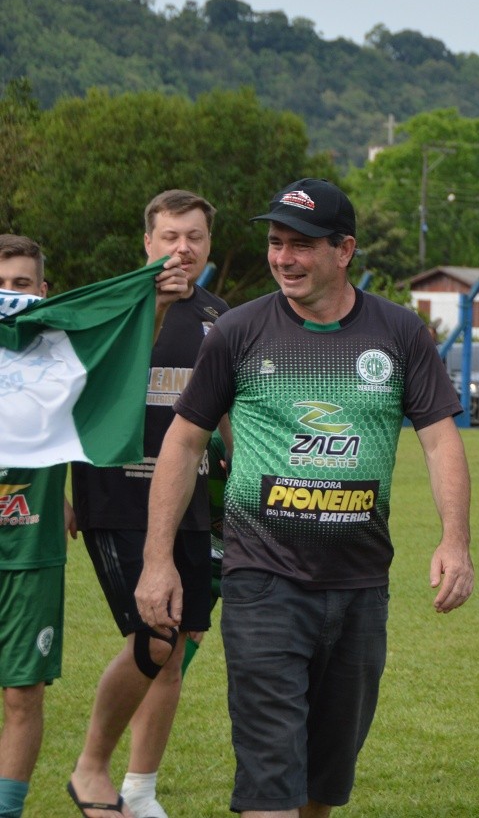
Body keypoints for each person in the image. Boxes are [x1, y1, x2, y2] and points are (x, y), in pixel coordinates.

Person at [134, 177, 475, 818]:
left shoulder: (400, 334)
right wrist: (158, 560)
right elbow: (182, 444)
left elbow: (439, 442)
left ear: (343, 250)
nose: (283, 259)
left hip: (360, 585)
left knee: (324, 784)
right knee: (271, 782)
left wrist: (455, 540)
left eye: (301, 246)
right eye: (275, 243)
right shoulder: (237, 331)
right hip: (263, 582)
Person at [69, 190, 230, 818]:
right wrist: (59, 492)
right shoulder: (112, 308)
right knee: (155, 636)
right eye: (169, 236)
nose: (182, 248)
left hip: (191, 502)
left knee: (178, 643)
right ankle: (90, 770)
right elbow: (70, 399)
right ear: (147, 242)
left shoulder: (221, 317)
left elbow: (229, 412)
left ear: (208, 245)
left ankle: (140, 790)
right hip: (115, 494)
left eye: (194, 237)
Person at [0, 235, 68, 818]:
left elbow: (120, 372)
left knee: (22, 695)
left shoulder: (63, 356)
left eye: (21, 285)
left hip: (31, 549)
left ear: (43, 292)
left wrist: (158, 302)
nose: (9, 295)